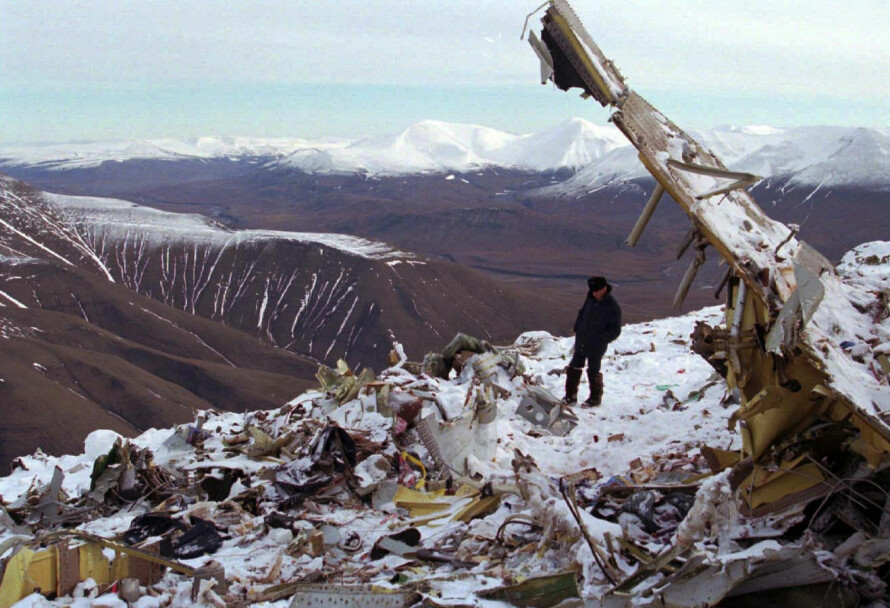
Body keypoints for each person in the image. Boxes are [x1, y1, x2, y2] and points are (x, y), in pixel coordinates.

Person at [565, 276, 622, 406]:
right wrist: (577, 327)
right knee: (574, 367)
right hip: (582, 339)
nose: (594, 293)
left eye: (597, 291)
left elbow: (615, 330)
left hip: (596, 345)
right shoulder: (590, 298)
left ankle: (595, 398)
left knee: (593, 371)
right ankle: (570, 396)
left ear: (604, 288)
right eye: (593, 291)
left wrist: (601, 339)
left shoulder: (613, 307)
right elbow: (582, 312)